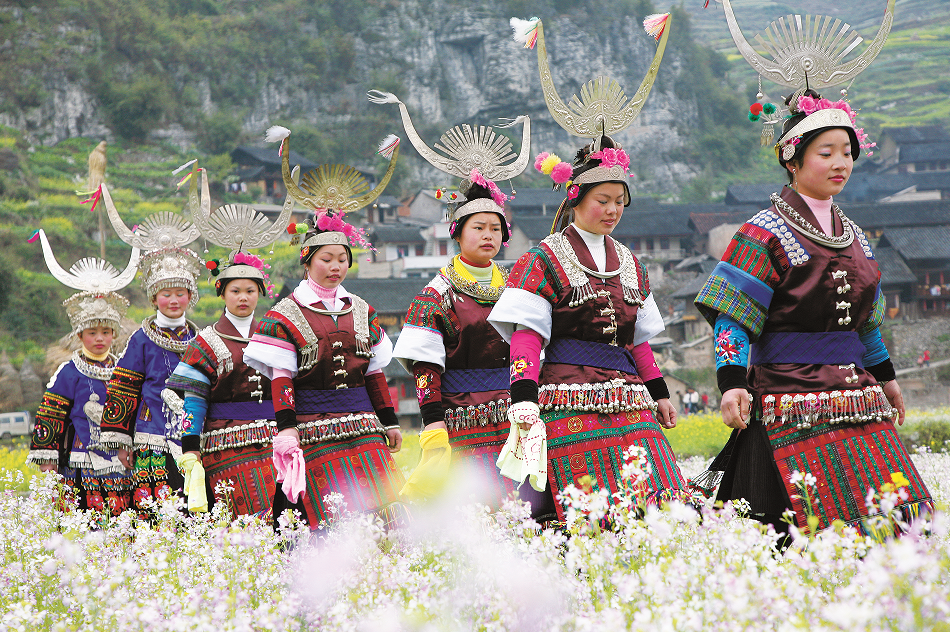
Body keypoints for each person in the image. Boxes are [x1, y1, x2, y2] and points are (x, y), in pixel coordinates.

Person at [694, 89, 932, 535]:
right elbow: (733, 316)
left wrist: (887, 377)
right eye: (827, 152)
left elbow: (866, 325)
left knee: (899, 517)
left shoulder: (857, 237)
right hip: (787, 397)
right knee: (791, 526)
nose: (841, 162)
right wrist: (730, 383)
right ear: (793, 160)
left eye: (847, 152)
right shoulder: (762, 231)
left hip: (856, 397)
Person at [488, 136, 686, 524]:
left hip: (630, 401)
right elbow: (527, 335)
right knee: (585, 513)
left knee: (658, 500)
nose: (613, 210)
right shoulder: (543, 258)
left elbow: (638, 342)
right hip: (568, 396)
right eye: (603, 200)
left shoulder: (630, 262)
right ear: (575, 198)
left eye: (619, 201)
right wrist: (523, 397)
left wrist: (659, 393)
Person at [243, 126, 406, 527]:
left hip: (364, 429)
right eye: (326, 259)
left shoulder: (362, 310)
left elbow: (374, 373)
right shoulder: (286, 312)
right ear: (307, 260)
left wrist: (389, 420)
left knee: (382, 518)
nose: (335, 267)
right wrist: (286, 431)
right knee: (327, 521)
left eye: (342, 259)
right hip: (312, 432)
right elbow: (282, 378)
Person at [393, 173, 516, 503]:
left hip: (515, 417)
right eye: (478, 227)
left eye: (495, 228)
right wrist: (433, 424)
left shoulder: (518, 289)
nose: (488, 235)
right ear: (457, 234)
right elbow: (424, 368)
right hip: (461, 419)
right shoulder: (436, 294)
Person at [27, 230, 138, 514]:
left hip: (122, 461)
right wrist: (49, 460)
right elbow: (50, 415)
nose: (99, 338)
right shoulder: (69, 372)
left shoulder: (124, 370)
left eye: (105, 332)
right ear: (80, 335)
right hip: (80, 459)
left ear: (114, 334)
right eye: (92, 332)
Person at [166, 252, 277, 518]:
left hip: (274, 442)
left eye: (250, 290)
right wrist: (191, 448)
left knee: (278, 520)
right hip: (224, 445)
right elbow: (195, 399)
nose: (243, 297)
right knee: (233, 520)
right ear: (222, 294)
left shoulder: (274, 335)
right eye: (235, 290)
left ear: (259, 293)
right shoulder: (205, 342)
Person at [98, 246, 202, 510]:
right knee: (155, 508)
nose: (174, 300)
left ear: (191, 296)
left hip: (195, 434)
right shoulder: (141, 340)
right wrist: (122, 442)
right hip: (150, 434)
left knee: (195, 504)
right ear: (154, 299)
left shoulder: (201, 340)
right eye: (166, 294)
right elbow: (123, 388)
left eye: (180, 293)